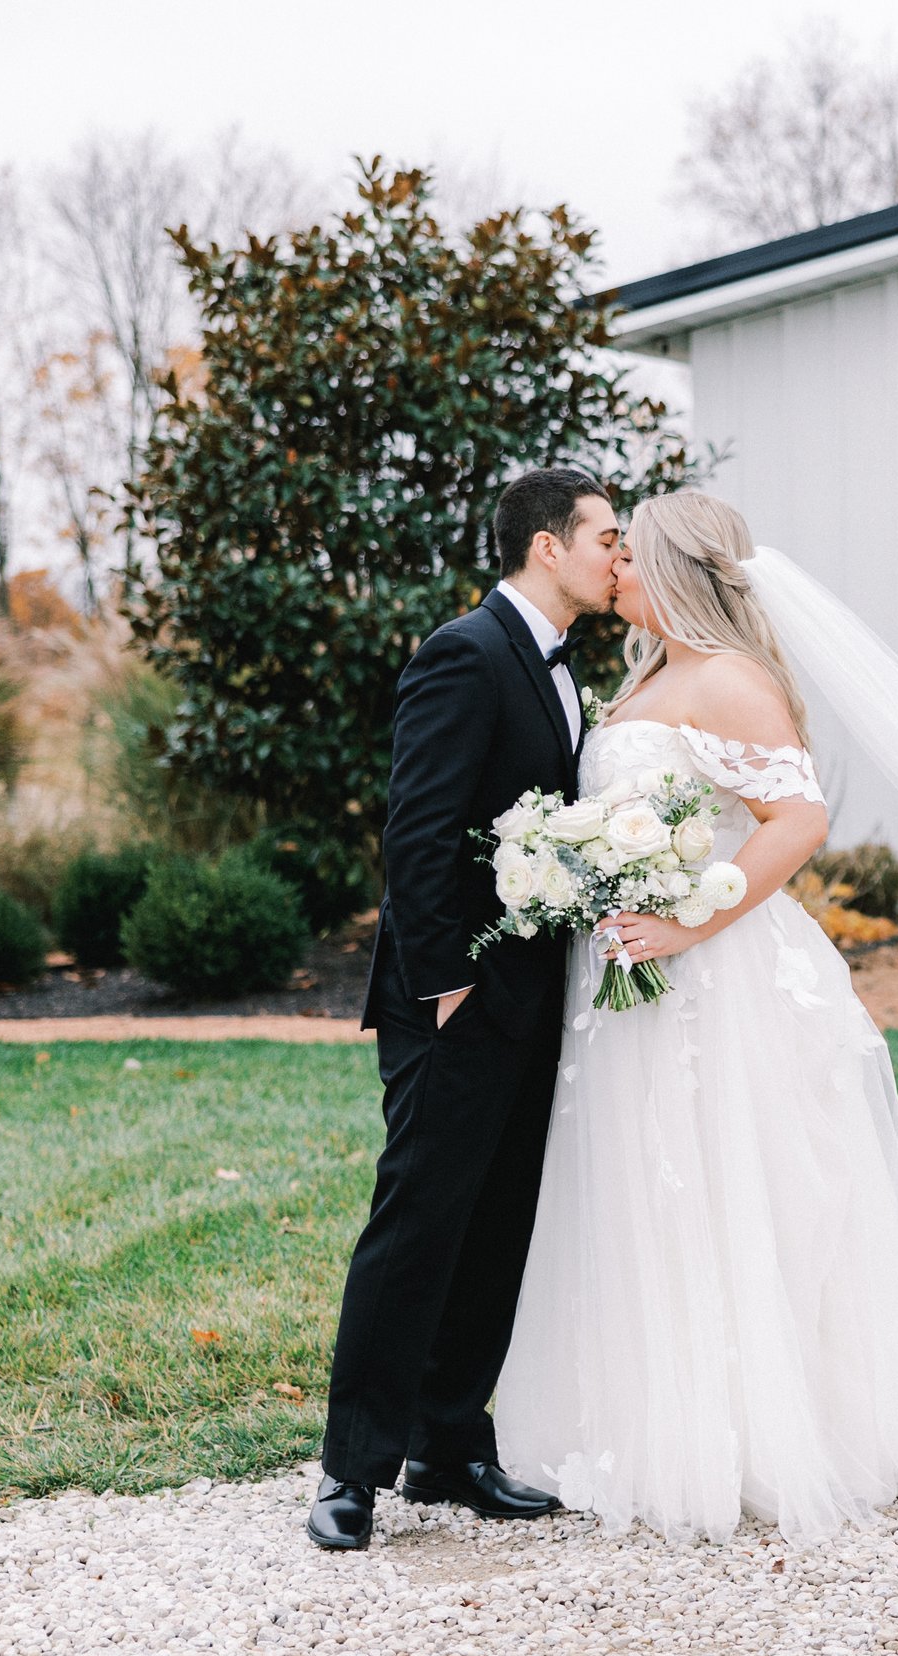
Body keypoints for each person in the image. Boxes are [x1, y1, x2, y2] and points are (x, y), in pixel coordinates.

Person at [491, 489, 898, 1541]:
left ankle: (755, 1434)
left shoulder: (732, 679)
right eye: (607, 552)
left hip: (715, 971)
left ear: (672, 573)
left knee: (731, 1179)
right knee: (646, 1184)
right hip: (629, 972)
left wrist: (692, 921)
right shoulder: (649, 674)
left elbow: (797, 817)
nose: (613, 569)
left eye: (628, 556)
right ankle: (648, 1416)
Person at [311, 467, 621, 1550]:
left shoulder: (566, 667)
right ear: (548, 546)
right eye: (604, 538)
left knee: (497, 1229)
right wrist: (442, 983)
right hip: (454, 999)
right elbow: (418, 830)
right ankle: (351, 1470)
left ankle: (450, 1447)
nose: (615, 558)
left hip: (537, 997)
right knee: (417, 1224)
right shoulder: (464, 652)